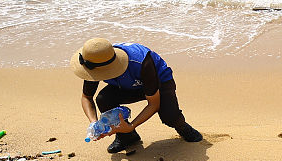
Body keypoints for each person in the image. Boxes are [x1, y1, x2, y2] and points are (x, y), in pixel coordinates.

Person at [71, 38, 203, 153]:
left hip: (159, 82)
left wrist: (132, 125)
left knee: (170, 116)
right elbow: (87, 97)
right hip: (124, 85)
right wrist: (93, 123)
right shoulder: (95, 60)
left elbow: (153, 104)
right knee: (104, 99)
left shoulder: (142, 63)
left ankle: (182, 126)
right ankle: (127, 137)